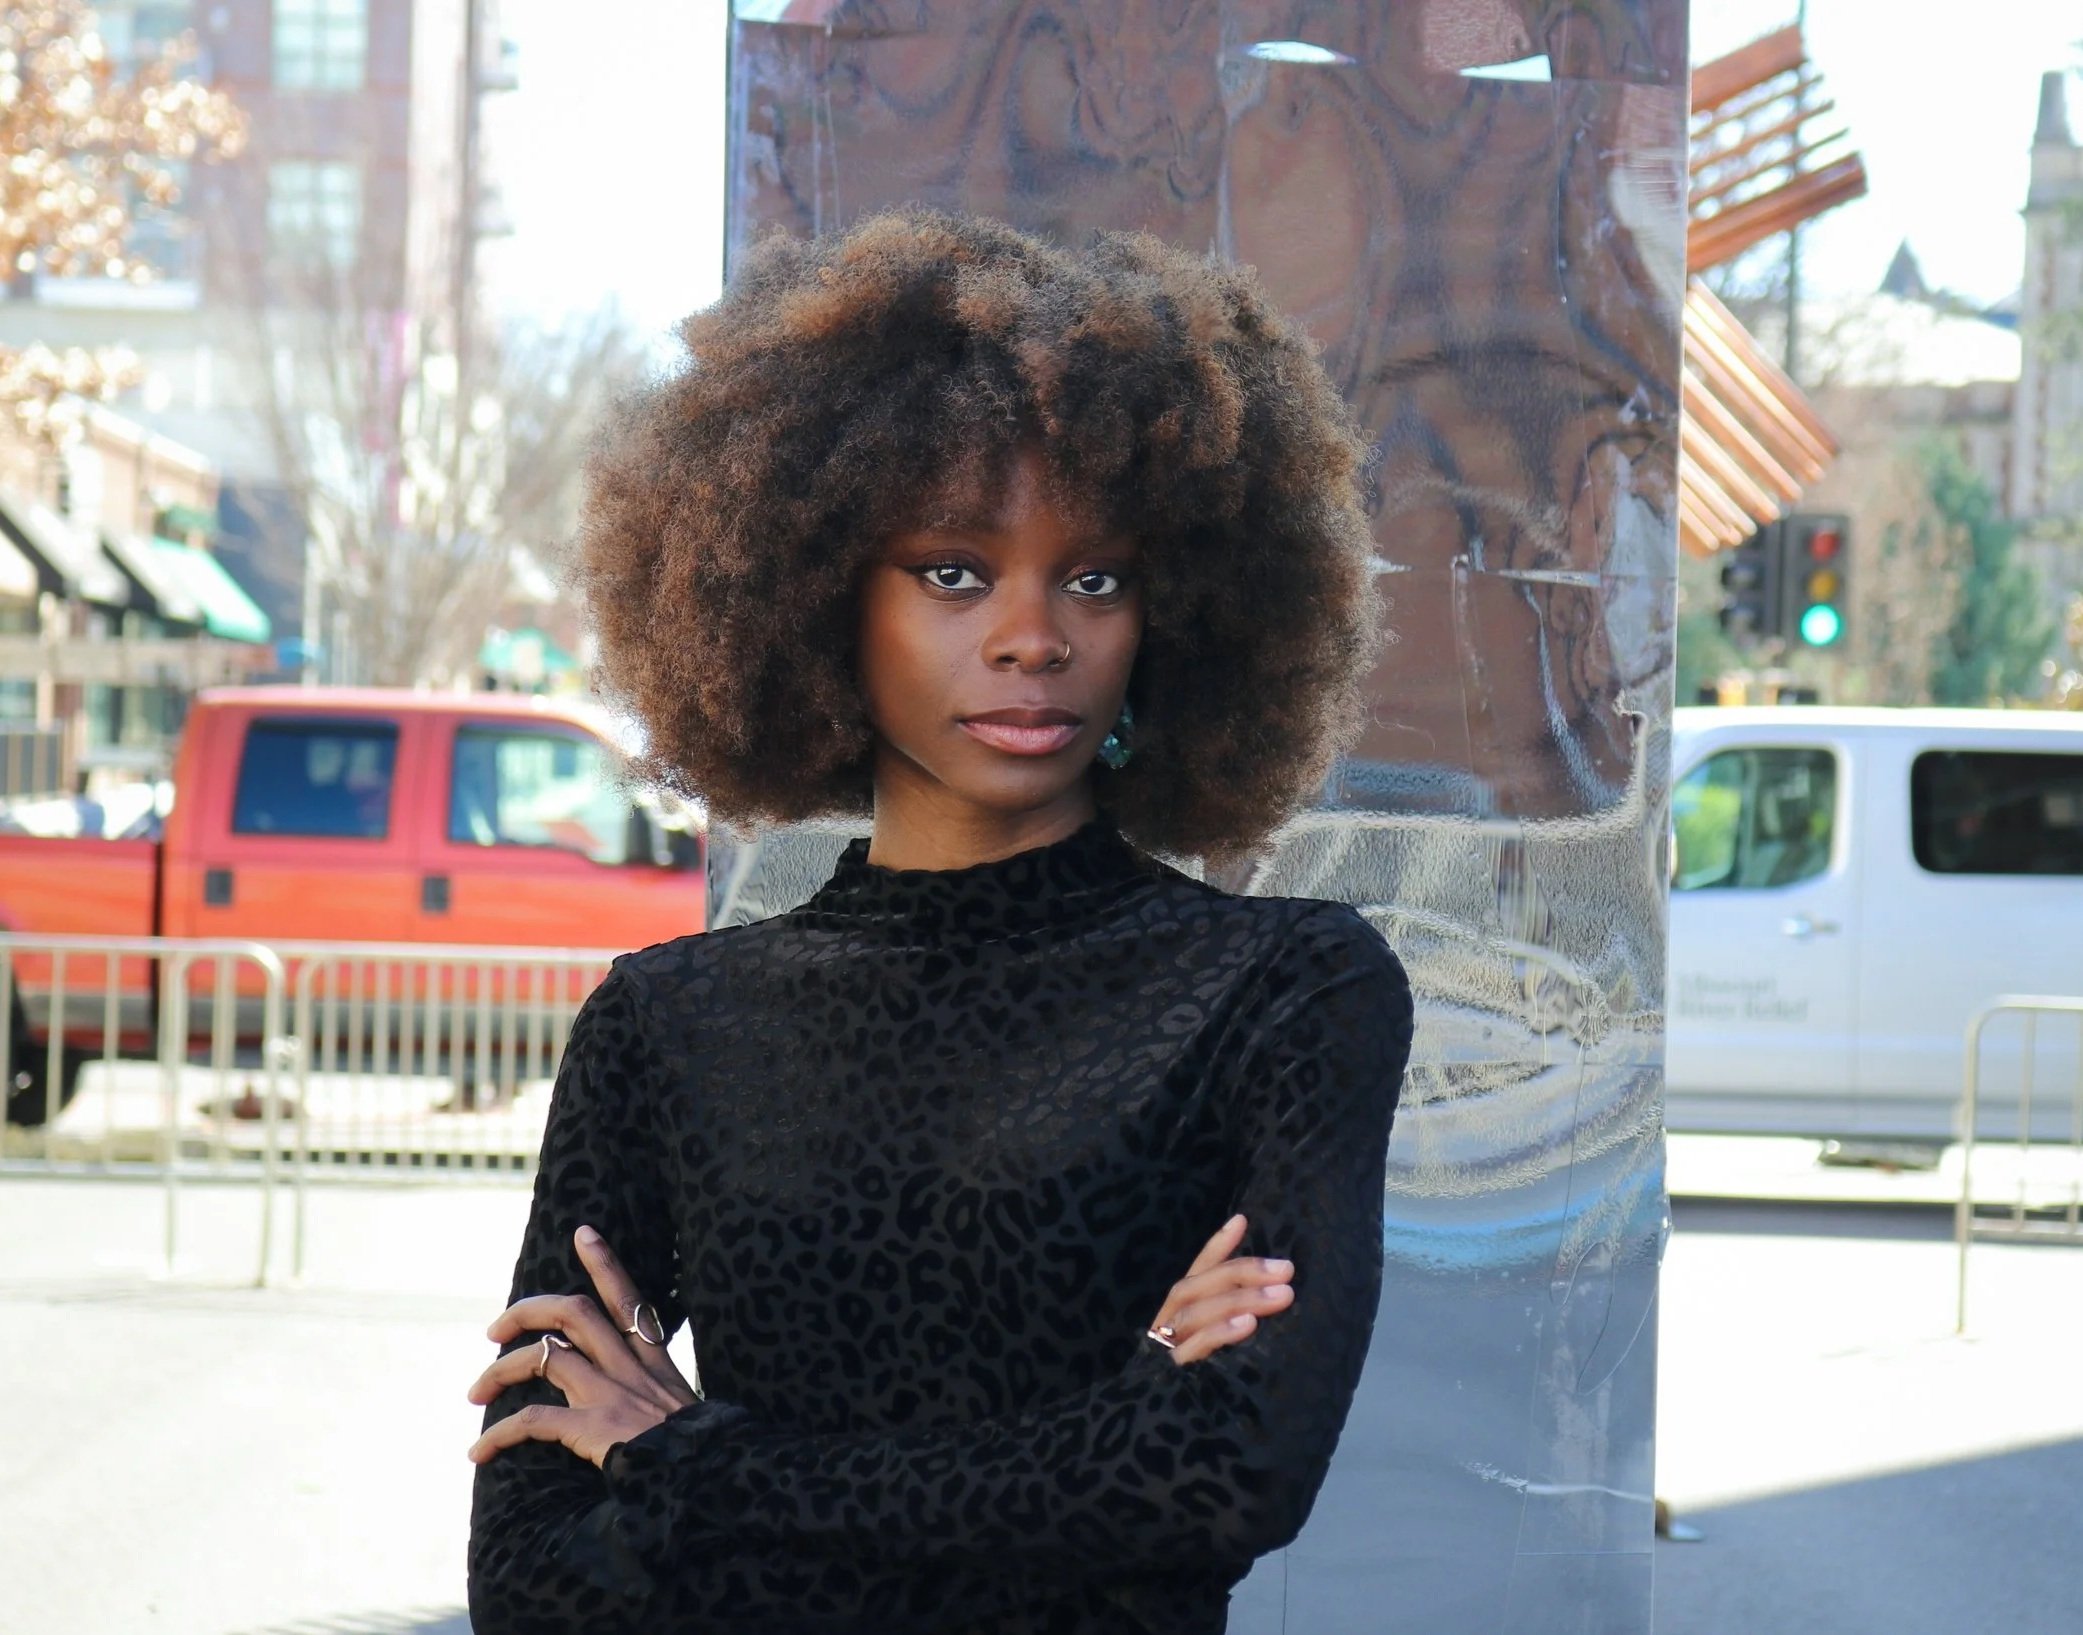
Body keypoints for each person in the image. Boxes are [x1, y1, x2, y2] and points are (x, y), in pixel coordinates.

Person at [463, 206, 1415, 1634]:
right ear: (814, 595)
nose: (1035, 637)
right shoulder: (665, 1028)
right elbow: (532, 1583)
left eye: (1096, 577)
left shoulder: (1281, 991)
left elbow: (1224, 1480)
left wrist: (692, 1465)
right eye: (954, 572)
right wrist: (1107, 1435)